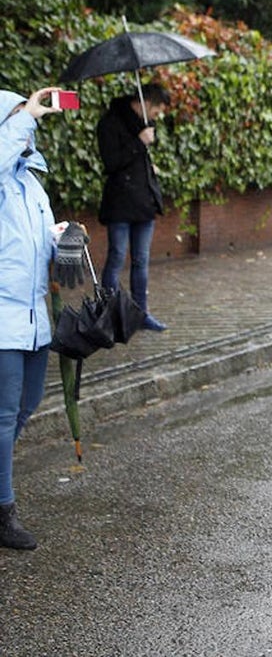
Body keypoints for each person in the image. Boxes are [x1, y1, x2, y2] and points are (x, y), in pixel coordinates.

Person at [0, 87, 85, 550]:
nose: (28, 125)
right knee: (3, 414)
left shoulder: (32, 183)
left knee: (28, 405)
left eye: (26, 115)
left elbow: (40, 242)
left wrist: (65, 238)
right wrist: (26, 114)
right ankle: (3, 511)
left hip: (35, 319)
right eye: (15, 116)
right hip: (2, 319)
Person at [97, 83, 171, 332]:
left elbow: (139, 160)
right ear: (147, 103)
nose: (157, 117)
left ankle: (140, 314)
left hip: (143, 203)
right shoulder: (110, 122)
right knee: (117, 256)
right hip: (119, 203)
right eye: (157, 111)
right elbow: (111, 162)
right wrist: (139, 142)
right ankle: (111, 314)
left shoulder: (146, 125)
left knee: (141, 260)